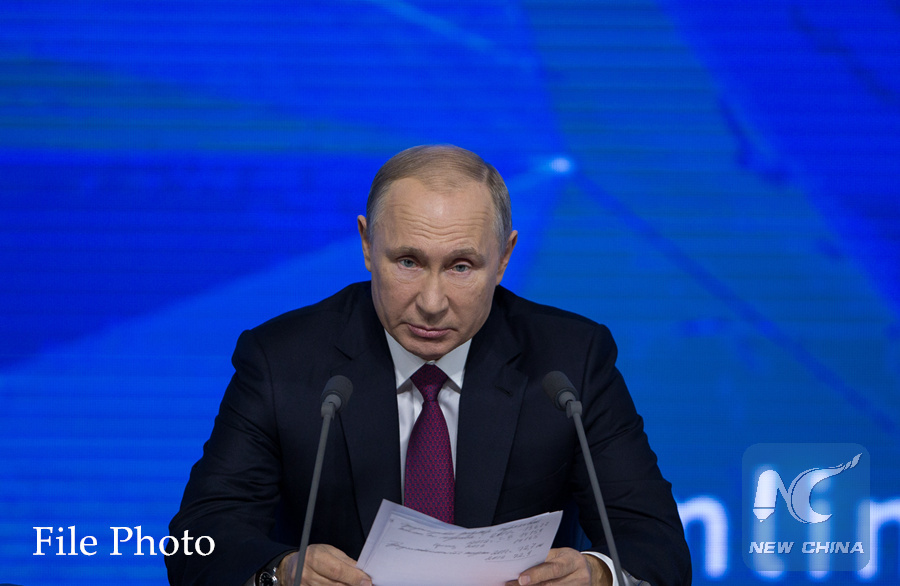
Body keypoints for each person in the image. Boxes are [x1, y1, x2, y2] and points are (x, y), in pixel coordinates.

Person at [167, 145, 691, 586]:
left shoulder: (570, 361)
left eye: (461, 266)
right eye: (408, 262)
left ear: (504, 257)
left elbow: (656, 541)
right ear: (367, 244)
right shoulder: (282, 359)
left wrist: (599, 575)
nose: (432, 302)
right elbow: (198, 537)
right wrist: (279, 572)